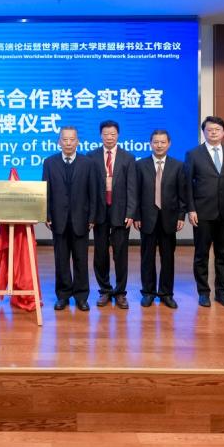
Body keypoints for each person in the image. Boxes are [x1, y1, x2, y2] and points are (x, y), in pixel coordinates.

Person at [184, 115, 224, 309]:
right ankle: (203, 292)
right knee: (201, 254)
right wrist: (191, 209)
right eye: (209, 130)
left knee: (223, 255)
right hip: (202, 212)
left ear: (223, 132)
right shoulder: (193, 154)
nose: (213, 133)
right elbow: (187, 184)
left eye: (217, 130)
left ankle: (222, 293)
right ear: (204, 132)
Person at [42, 126, 100, 311]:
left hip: (81, 219)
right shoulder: (49, 162)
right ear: (59, 142)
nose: (68, 143)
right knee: (61, 260)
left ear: (78, 142)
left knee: (81, 260)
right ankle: (63, 295)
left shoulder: (88, 163)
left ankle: (81, 296)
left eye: (71, 139)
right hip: (58, 220)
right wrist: (46, 214)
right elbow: (46, 190)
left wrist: (92, 217)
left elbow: (93, 192)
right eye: (64, 139)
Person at [133, 129, 188, 309]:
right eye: (156, 142)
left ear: (169, 144)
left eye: (163, 142)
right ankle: (148, 293)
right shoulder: (140, 165)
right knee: (147, 258)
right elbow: (135, 193)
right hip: (146, 219)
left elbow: (182, 194)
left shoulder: (178, 166)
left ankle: (166, 293)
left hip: (169, 219)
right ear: (150, 144)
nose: (159, 145)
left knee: (168, 258)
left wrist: (181, 216)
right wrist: (137, 215)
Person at [88, 119, 137, 309]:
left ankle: (120, 292)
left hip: (121, 213)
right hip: (99, 213)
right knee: (100, 254)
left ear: (118, 135)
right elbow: (89, 188)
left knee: (120, 254)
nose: (109, 137)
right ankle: (105, 290)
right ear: (100, 135)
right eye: (106, 134)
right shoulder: (91, 157)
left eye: (113, 134)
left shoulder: (128, 157)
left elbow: (132, 188)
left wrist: (131, 212)